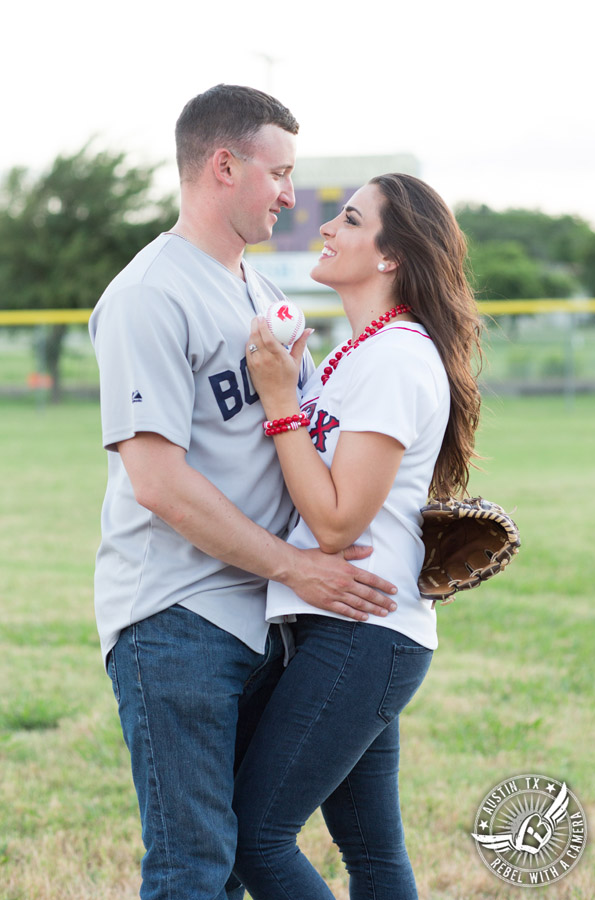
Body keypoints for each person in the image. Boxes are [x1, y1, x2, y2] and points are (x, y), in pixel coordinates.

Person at [88, 85, 398, 900]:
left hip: (262, 613)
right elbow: (157, 483)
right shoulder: (150, 293)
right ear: (224, 165)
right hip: (177, 617)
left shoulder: (261, 292)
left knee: (236, 859)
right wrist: (298, 569)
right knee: (194, 869)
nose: (294, 196)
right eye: (281, 173)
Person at [233, 173, 482, 899]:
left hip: (363, 633)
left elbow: (337, 521)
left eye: (347, 219)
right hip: (349, 627)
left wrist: (281, 403)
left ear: (390, 256)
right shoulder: (360, 353)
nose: (326, 229)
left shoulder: (397, 357)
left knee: (257, 835)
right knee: (371, 853)